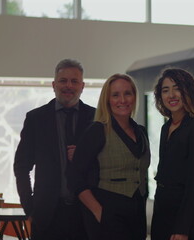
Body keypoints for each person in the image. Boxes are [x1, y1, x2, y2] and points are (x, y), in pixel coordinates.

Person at [14, 59, 95, 240]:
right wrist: (30, 208)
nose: (68, 85)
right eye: (63, 80)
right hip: (46, 216)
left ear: (82, 86)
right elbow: (21, 166)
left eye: (74, 81)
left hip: (86, 215)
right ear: (54, 84)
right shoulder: (35, 119)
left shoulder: (96, 119)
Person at [67, 73, 150, 240]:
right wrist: (99, 212)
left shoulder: (141, 131)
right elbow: (74, 177)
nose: (123, 100)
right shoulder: (97, 130)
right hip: (108, 210)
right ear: (107, 100)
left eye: (128, 93)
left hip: (138, 213)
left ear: (134, 96)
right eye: (115, 95)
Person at [151, 68, 194, 240]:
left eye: (177, 88)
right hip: (161, 208)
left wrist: (183, 227)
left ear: (187, 91)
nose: (171, 95)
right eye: (165, 90)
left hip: (184, 214)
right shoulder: (165, 127)